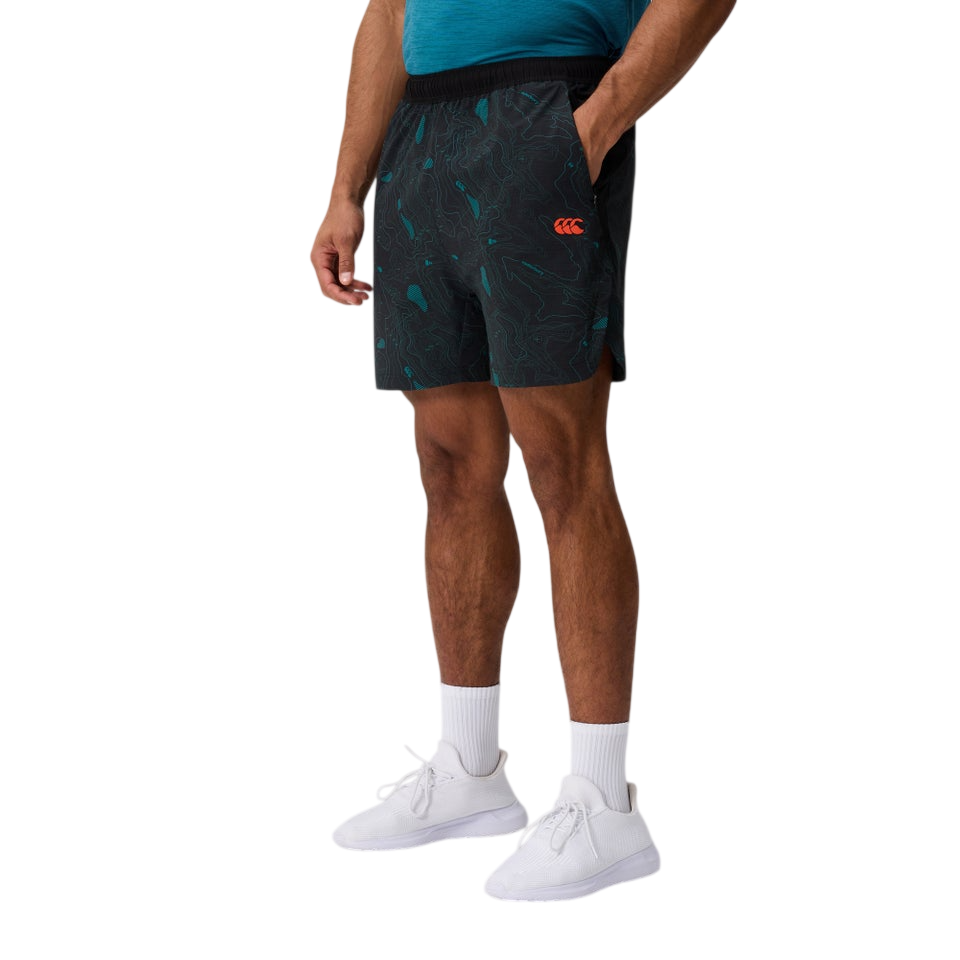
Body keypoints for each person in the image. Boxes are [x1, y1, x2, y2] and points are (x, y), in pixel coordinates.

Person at [311, 0, 735, 902]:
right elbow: (389, 8)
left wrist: (596, 122)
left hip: (546, 105)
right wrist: (348, 188)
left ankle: (604, 805)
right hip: (420, 132)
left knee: (560, 463)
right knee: (448, 463)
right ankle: (469, 771)